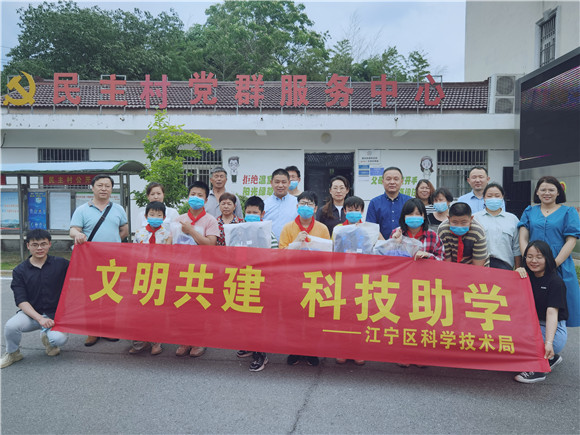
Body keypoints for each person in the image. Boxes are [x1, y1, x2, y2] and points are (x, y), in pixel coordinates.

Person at [70, 174, 128, 347]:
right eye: (100, 185)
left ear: (112, 189)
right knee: (91, 296)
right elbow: (73, 230)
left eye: (107, 186)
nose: (104, 189)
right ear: (92, 188)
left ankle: (109, 329)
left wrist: (110, 245)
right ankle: (92, 331)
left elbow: (124, 230)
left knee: (111, 295)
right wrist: (78, 234)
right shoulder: (82, 210)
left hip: (113, 261)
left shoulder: (118, 209)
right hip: (91, 261)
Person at [518, 176, 580, 327]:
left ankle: (556, 338)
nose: (547, 193)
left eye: (551, 190)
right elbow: (523, 238)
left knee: (559, 304)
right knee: (531, 303)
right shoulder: (529, 211)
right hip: (533, 263)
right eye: (543, 189)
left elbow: (571, 241)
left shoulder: (568, 212)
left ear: (558, 192)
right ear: (537, 192)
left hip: (560, 262)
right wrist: (529, 260)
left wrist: (553, 263)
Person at [1, 230, 69, 368]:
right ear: (28, 246)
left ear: (49, 244)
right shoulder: (19, 271)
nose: (39, 248)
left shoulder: (61, 263)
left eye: (43, 244)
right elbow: (21, 300)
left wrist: (82, 244)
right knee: (11, 326)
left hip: (54, 316)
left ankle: (49, 341)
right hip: (31, 315)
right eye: (35, 245)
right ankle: (13, 353)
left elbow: (82, 268)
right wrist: (39, 318)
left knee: (59, 339)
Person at [279, 191, 330, 367]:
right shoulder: (288, 228)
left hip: (314, 279)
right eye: (302, 203)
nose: (305, 207)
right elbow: (281, 254)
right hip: (292, 278)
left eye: (309, 204)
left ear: (315, 208)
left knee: (313, 317)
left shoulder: (322, 229)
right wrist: (296, 243)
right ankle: (294, 350)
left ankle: (310, 351)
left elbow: (328, 256)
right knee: (293, 317)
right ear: (297, 206)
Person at [172, 181, 220, 357]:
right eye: (193, 194)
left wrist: (191, 231)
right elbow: (171, 243)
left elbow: (210, 244)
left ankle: (199, 341)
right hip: (181, 269)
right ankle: (185, 340)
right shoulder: (178, 219)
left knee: (199, 306)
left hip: (201, 271)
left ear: (206, 200)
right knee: (182, 306)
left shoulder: (211, 220)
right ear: (188, 197)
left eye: (200, 195)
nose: (196, 198)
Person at [514, 240, 568, 383]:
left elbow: (552, 314)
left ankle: (538, 369)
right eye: (529, 256)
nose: (533, 261)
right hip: (531, 324)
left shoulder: (555, 282)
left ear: (547, 258)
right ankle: (550, 358)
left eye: (539, 257)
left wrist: (549, 342)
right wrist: (515, 274)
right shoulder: (526, 276)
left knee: (522, 339)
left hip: (552, 329)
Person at [235, 196, 278, 371]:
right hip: (243, 280)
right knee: (245, 317)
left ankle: (261, 354)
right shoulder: (238, 232)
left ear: (262, 214)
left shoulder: (269, 235)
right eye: (249, 212)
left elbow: (274, 260)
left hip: (262, 282)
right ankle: (250, 345)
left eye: (255, 212)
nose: (251, 215)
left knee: (260, 319)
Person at [131, 201, 172, 355]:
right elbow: (133, 253)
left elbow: (169, 255)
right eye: (152, 214)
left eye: (159, 215)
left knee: (157, 309)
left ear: (164, 217)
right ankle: (140, 342)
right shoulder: (139, 233)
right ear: (146, 216)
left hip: (159, 275)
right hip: (142, 274)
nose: (155, 217)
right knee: (139, 309)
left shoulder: (167, 234)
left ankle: (157, 342)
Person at [473, 183, 521, 270]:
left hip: (505, 267)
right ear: (484, 198)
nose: (493, 198)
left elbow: (516, 248)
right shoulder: (475, 218)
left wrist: (518, 268)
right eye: (489, 196)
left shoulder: (512, 219)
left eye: (497, 196)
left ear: (502, 197)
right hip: (480, 267)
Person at [366, 167, 412, 239]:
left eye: (396, 179)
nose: (392, 182)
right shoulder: (374, 203)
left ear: (401, 181)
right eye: (388, 179)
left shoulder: (409, 201)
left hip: (405, 243)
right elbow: (371, 227)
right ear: (383, 181)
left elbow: (414, 225)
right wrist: (384, 243)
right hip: (380, 244)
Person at [264, 168, 298, 240]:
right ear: (271, 183)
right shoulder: (264, 204)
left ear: (289, 183)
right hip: (269, 245)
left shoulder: (297, 203)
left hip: (292, 244)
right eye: (277, 182)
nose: (280, 185)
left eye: (284, 182)